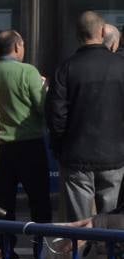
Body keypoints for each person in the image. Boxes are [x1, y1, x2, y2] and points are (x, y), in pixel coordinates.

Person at [47, 11, 124, 220]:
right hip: (114, 156)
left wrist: (60, 147)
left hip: (76, 156)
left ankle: (81, 252)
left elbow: (56, 115)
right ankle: (106, 253)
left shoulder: (66, 68)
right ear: (101, 31)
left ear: (78, 35)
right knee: (109, 222)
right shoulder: (120, 65)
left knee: (79, 224)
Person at [0, 30, 51, 259]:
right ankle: (42, 257)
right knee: (39, 204)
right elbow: (42, 108)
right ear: (16, 48)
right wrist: (45, 90)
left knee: (4, 205)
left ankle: (7, 256)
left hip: (1, 148)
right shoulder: (28, 72)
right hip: (30, 145)